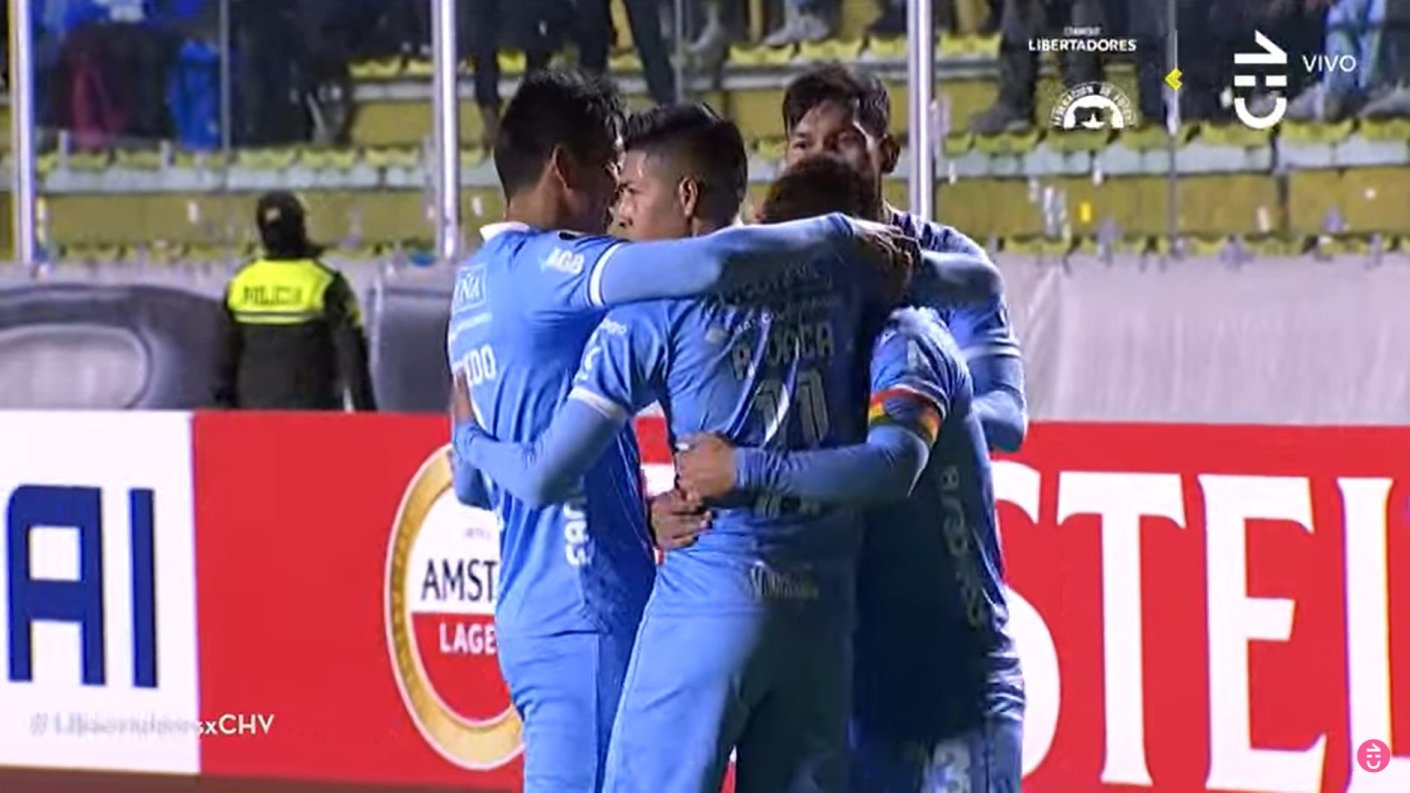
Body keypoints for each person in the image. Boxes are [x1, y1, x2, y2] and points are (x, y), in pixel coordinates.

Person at [445, 74, 914, 793]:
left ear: (686, 195)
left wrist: (471, 441)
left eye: (631, 185)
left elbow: (483, 486)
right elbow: (713, 261)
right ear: (564, 169)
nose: (619, 202)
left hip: (583, 604)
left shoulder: (476, 288)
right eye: (615, 176)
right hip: (770, 604)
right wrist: (843, 232)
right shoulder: (840, 295)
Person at [674, 156, 1024, 793]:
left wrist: (743, 469)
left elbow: (892, 465)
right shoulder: (801, 360)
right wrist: (667, 511)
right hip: (853, 687)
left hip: (950, 693)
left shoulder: (908, 341)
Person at [781, 63, 1028, 453]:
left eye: (843, 141)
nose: (820, 159)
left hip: (921, 489)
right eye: (803, 144)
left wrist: (903, 419)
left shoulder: (952, 259)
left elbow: (1006, 416)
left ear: (888, 153)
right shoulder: (757, 263)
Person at [214, 191, 376, 410]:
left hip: (252, 420)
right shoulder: (325, 284)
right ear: (301, 227)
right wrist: (367, 415)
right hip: (311, 419)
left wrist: (224, 414)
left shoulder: (240, 285)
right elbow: (353, 360)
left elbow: (222, 364)